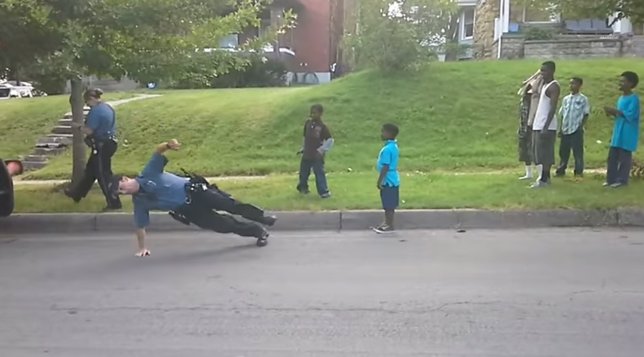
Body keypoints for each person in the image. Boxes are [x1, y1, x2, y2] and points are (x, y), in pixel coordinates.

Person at [110, 139, 277, 257]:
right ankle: (259, 231)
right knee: (224, 225)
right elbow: (140, 226)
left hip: (197, 192)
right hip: (189, 211)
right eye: (120, 193)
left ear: (126, 179)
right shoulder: (140, 202)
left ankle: (263, 217)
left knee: (231, 205)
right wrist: (142, 248)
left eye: (121, 188)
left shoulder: (148, 173)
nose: (123, 192)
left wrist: (168, 145)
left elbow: (157, 151)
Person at [65, 88, 122, 209]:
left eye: (87, 102)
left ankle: (114, 202)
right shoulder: (108, 108)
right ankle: (77, 193)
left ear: (91, 99)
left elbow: (89, 130)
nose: (87, 105)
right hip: (109, 142)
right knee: (91, 171)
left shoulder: (96, 111)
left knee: (103, 175)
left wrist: (78, 127)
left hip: (102, 145)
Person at [604, 71, 641, 188]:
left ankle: (622, 181)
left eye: (623, 81)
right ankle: (611, 179)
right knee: (612, 157)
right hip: (618, 132)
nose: (620, 84)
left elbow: (630, 115)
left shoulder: (634, 99)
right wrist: (611, 113)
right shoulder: (621, 98)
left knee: (624, 158)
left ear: (631, 84)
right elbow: (620, 114)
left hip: (627, 133)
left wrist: (615, 111)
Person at [530, 61, 560, 188]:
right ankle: (543, 178)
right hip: (538, 123)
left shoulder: (553, 86)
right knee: (539, 154)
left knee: (546, 153)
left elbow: (553, 108)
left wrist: (546, 126)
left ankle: (545, 178)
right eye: (541, 70)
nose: (542, 73)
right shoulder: (544, 85)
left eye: (545, 71)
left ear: (552, 71)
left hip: (546, 125)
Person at [296, 104, 334, 198]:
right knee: (303, 173)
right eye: (311, 112)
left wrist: (322, 150)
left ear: (320, 114)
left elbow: (330, 140)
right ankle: (303, 188)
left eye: (314, 113)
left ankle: (323, 192)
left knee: (319, 173)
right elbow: (305, 137)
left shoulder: (322, 127)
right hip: (307, 153)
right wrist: (303, 148)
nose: (312, 115)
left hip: (316, 155)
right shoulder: (308, 124)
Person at [556, 77, 590, 178]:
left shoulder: (583, 99)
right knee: (563, 151)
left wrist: (581, 126)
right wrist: (561, 128)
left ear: (579, 85)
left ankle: (578, 171)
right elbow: (562, 114)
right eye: (570, 84)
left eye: (574, 84)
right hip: (566, 129)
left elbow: (586, 113)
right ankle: (561, 169)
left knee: (577, 152)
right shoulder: (566, 99)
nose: (571, 86)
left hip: (576, 129)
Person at [372, 123, 400, 234]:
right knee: (388, 203)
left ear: (389, 133)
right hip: (392, 179)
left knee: (388, 204)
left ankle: (389, 224)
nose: (381, 133)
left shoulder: (388, 149)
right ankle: (387, 222)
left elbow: (386, 166)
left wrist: (380, 181)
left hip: (388, 180)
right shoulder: (393, 146)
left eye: (383, 131)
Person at [517, 69, 543, 180]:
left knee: (534, 149)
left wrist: (537, 77)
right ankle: (528, 173)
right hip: (524, 121)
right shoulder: (529, 86)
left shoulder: (540, 87)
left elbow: (536, 90)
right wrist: (530, 78)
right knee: (523, 147)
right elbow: (522, 89)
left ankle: (541, 174)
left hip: (533, 122)